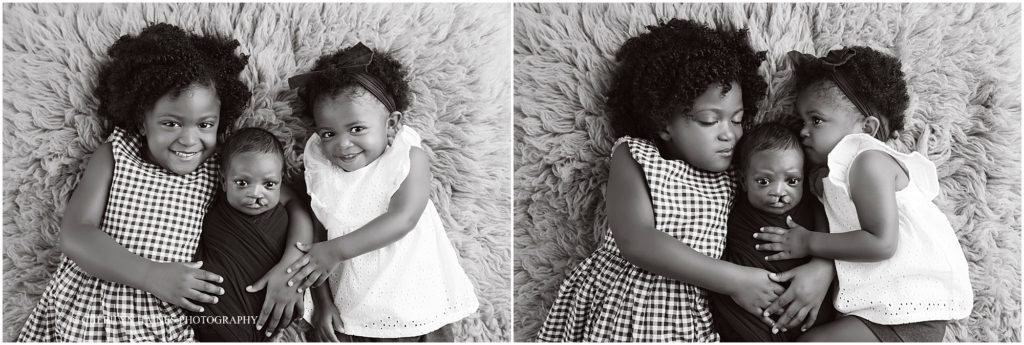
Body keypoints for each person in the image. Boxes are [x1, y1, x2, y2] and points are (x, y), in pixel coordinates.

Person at [536, 19, 803, 342]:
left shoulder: (738, 176)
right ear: (664, 123)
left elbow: (789, 217)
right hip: (623, 310)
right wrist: (735, 280)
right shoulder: (636, 156)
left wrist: (821, 270)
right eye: (709, 120)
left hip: (688, 323)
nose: (728, 133)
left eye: (737, 119)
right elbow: (637, 241)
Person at [17, 23, 251, 341]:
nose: (189, 139)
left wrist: (290, 268)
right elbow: (75, 234)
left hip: (160, 325)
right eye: (171, 123)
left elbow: (284, 200)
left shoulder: (220, 169)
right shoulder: (117, 154)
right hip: (88, 314)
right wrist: (149, 274)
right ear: (142, 121)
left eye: (205, 124)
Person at [756, 46, 973, 341]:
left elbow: (881, 243)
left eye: (816, 120)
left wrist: (808, 242)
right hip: (884, 309)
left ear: (867, 129)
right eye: (801, 122)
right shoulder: (832, 175)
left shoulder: (868, 162)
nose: (803, 131)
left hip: (909, 311)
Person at [285, 42, 479, 342]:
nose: (342, 144)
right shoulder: (324, 171)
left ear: (391, 124)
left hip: (417, 310)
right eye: (328, 133)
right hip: (351, 315)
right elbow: (318, 242)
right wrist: (322, 303)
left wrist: (336, 251)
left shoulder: (407, 159)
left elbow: (403, 219)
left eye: (357, 129)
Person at [709, 122, 838, 341]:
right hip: (750, 309)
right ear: (744, 181)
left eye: (792, 181)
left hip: (808, 308)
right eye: (764, 181)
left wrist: (822, 262)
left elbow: (831, 235)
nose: (779, 192)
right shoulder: (731, 210)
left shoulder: (814, 207)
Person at [190, 127, 313, 342]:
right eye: (242, 183)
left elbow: (299, 210)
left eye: (268, 184)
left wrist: (291, 266)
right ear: (223, 181)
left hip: (270, 320)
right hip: (214, 323)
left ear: (280, 182)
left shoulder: (287, 211)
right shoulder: (212, 207)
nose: (256, 194)